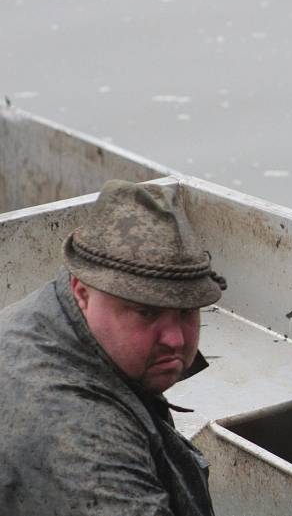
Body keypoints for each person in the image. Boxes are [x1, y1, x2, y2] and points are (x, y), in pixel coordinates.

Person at [0, 180, 227, 516]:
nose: (176, 340)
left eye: (186, 311)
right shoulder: (86, 446)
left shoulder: (54, 313)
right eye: (146, 311)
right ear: (82, 291)